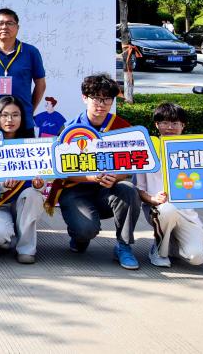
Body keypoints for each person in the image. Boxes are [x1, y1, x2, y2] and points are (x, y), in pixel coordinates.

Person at [49, 73, 141, 270]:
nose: (101, 104)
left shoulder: (122, 127)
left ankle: (124, 246)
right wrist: (91, 177)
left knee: (129, 189)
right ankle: (79, 236)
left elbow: (132, 165)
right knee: (85, 230)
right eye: (96, 98)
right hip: (76, 190)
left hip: (108, 190)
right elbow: (61, 170)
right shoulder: (70, 128)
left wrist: (117, 176)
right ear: (85, 98)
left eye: (107, 99)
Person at [136, 102, 203, 267]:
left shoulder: (194, 151)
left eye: (175, 123)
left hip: (186, 212)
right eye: (164, 122)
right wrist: (153, 199)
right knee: (168, 209)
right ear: (157, 125)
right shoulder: (147, 150)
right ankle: (159, 250)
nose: (170, 127)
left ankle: (173, 245)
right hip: (159, 209)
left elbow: (199, 184)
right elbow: (139, 189)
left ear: (183, 125)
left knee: (197, 257)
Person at [0, 96, 46, 264]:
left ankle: (26, 249)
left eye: (15, 115)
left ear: (22, 118)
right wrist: (2, 186)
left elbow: (41, 179)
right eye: (5, 115)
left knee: (33, 194)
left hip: (22, 203)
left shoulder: (32, 145)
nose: (10, 120)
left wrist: (39, 184)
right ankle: (10, 238)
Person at [0, 8, 46, 131]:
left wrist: (28, 110)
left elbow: (40, 84)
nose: (4, 27)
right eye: (0, 23)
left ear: (17, 27)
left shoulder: (31, 52)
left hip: (23, 121)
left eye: (9, 23)